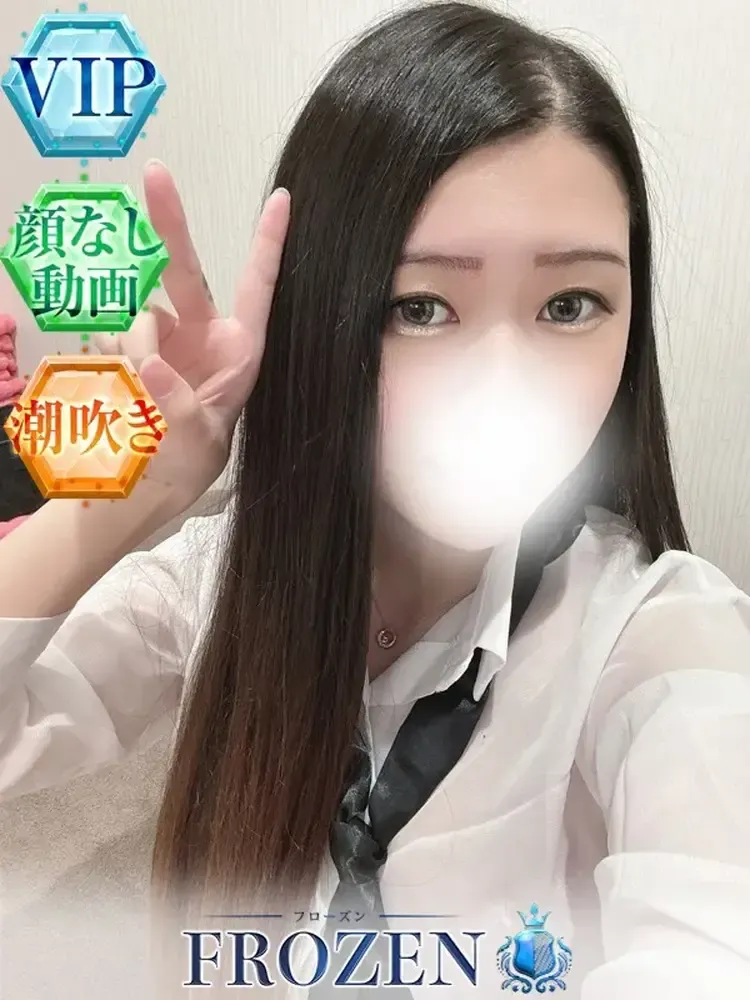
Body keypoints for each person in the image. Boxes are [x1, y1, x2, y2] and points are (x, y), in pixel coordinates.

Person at [0, 2, 748, 997]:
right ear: (327, 319)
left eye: (570, 305)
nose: (505, 383)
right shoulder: (223, 579)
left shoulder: (658, 638)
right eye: (420, 306)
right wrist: (119, 503)